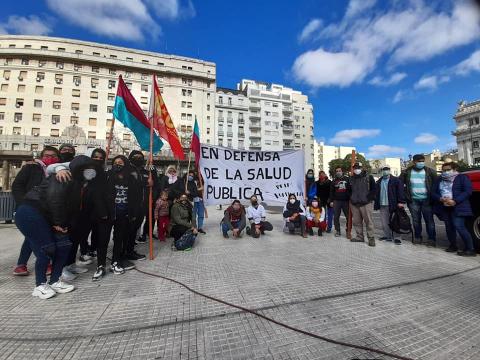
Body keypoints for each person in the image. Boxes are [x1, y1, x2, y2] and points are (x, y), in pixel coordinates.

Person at [14, 156, 95, 299]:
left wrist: (64, 224)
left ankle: (55, 280)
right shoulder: (64, 176)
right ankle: (40, 285)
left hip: (48, 216)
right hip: (31, 212)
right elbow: (55, 199)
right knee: (46, 249)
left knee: (64, 245)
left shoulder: (78, 182)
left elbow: (69, 205)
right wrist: (59, 223)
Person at [12, 146, 60, 276]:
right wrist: (24, 204)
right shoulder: (31, 167)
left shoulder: (58, 171)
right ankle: (40, 263)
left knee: (35, 236)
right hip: (29, 207)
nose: (50, 158)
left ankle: (23, 264)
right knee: (33, 235)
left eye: (53, 156)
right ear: (41, 156)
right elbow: (17, 186)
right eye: (47, 155)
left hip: (47, 210)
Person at [93, 155, 142, 280]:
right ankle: (100, 265)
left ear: (125, 164)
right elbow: (98, 195)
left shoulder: (131, 178)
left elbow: (136, 198)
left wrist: (133, 214)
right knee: (103, 240)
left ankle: (116, 262)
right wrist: (102, 211)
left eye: (121, 163)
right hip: (107, 214)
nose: (118, 164)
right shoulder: (106, 176)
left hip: (123, 215)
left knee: (119, 240)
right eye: (115, 162)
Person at [432, 162, 476, 256]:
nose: (445, 172)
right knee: (449, 227)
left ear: (455, 169)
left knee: (459, 226)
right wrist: (440, 198)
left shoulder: (462, 178)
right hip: (444, 206)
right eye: (444, 170)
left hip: (458, 206)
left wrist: (455, 201)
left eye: (448, 170)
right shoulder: (439, 179)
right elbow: (433, 192)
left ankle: (470, 249)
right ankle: (453, 245)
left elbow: (468, 191)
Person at [400, 154, 437, 246]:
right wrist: (405, 196)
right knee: (416, 220)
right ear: (414, 162)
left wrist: (434, 197)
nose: (421, 163)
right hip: (413, 201)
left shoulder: (430, 171)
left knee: (429, 221)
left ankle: (431, 239)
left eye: (422, 161)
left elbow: (436, 185)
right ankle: (417, 237)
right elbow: (400, 185)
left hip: (427, 200)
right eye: (419, 161)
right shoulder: (406, 172)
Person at [126, 150, 150, 259]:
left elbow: (152, 185)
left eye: (140, 157)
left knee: (134, 229)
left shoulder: (146, 172)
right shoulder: (127, 170)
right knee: (128, 229)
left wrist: (151, 178)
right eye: (135, 156)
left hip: (142, 206)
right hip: (130, 206)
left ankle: (130, 250)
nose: (138, 158)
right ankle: (124, 252)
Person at [374, 166, 406, 245]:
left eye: (387, 170)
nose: (385, 171)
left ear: (389, 170)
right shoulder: (379, 181)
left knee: (395, 221)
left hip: (393, 204)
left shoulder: (396, 180)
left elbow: (400, 192)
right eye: (384, 170)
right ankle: (387, 236)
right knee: (384, 222)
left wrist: (401, 202)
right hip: (382, 204)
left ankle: (397, 237)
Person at [350, 162, 376, 246]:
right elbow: (348, 190)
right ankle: (359, 237)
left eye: (358, 167)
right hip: (354, 204)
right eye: (355, 168)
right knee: (357, 222)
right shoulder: (351, 178)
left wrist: (369, 198)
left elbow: (374, 189)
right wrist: (351, 198)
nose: (357, 169)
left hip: (366, 203)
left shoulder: (369, 177)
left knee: (368, 221)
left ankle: (371, 238)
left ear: (362, 168)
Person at [329, 167, 351, 237]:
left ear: (342, 172)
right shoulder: (334, 181)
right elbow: (331, 192)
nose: (338, 172)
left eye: (340, 171)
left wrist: (350, 199)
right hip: (336, 201)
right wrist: (331, 201)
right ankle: (337, 230)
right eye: (337, 171)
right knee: (336, 217)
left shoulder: (347, 179)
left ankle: (348, 231)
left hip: (346, 201)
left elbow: (350, 190)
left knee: (348, 217)